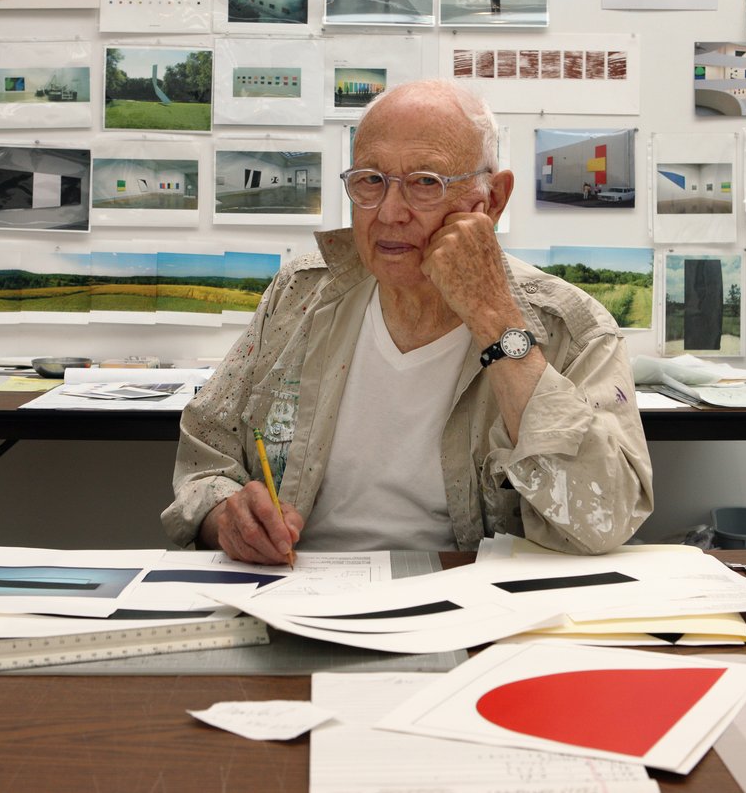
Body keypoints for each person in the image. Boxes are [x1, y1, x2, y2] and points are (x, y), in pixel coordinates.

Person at [163, 79, 652, 562]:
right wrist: (224, 514)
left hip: (474, 602)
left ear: (493, 199)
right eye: (371, 181)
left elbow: (604, 517)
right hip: (297, 590)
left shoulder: (572, 326)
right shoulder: (300, 295)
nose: (390, 213)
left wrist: (496, 320)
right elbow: (207, 453)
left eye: (425, 184)